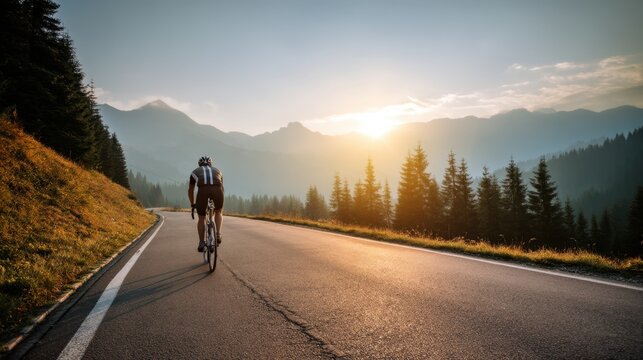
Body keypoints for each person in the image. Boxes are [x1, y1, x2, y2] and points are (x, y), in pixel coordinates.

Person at [188, 156, 224, 252]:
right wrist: (219, 205)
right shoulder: (218, 171)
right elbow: (222, 188)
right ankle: (218, 234)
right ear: (211, 164)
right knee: (218, 212)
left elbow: (191, 190)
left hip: (202, 191)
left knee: (201, 217)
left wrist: (193, 204)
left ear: (199, 164)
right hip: (217, 190)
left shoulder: (195, 172)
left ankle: (201, 242)